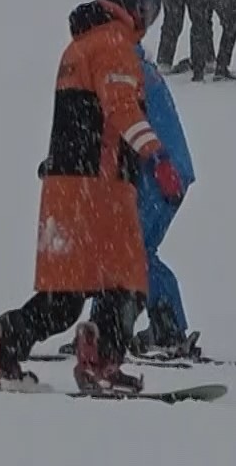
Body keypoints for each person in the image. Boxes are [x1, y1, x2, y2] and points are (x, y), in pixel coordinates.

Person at [0, 0, 182, 393]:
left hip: (63, 186)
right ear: (133, 4)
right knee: (127, 279)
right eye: (148, 9)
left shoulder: (78, 46)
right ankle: (100, 358)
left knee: (66, 294)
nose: (148, 20)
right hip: (101, 185)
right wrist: (157, 157)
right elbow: (121, 109)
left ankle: (2, 341)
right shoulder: (114, 45)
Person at [88, 40, 197, 355]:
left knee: (131, 249)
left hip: (158, 173)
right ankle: (107, 327)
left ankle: (167, 327)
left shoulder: (123, 72)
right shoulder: (134, 68)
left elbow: (117, 125)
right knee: (123, 248)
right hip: (161, 170)